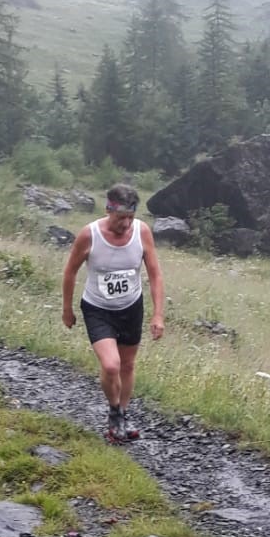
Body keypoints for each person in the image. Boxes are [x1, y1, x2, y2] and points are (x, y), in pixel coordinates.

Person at [61, 181, 165, 442]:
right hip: (98, 308)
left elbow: (155, 274)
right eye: (121, 218)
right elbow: (70, 272)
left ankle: (122, 415)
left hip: (131, 307)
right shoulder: (89, 235)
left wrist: (158, 314)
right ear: (108, 210)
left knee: (127, 365)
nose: (126, 224)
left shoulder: (142, 232)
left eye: (131, 217)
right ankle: (114, 411)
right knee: (111, 365)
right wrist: (67, 309)